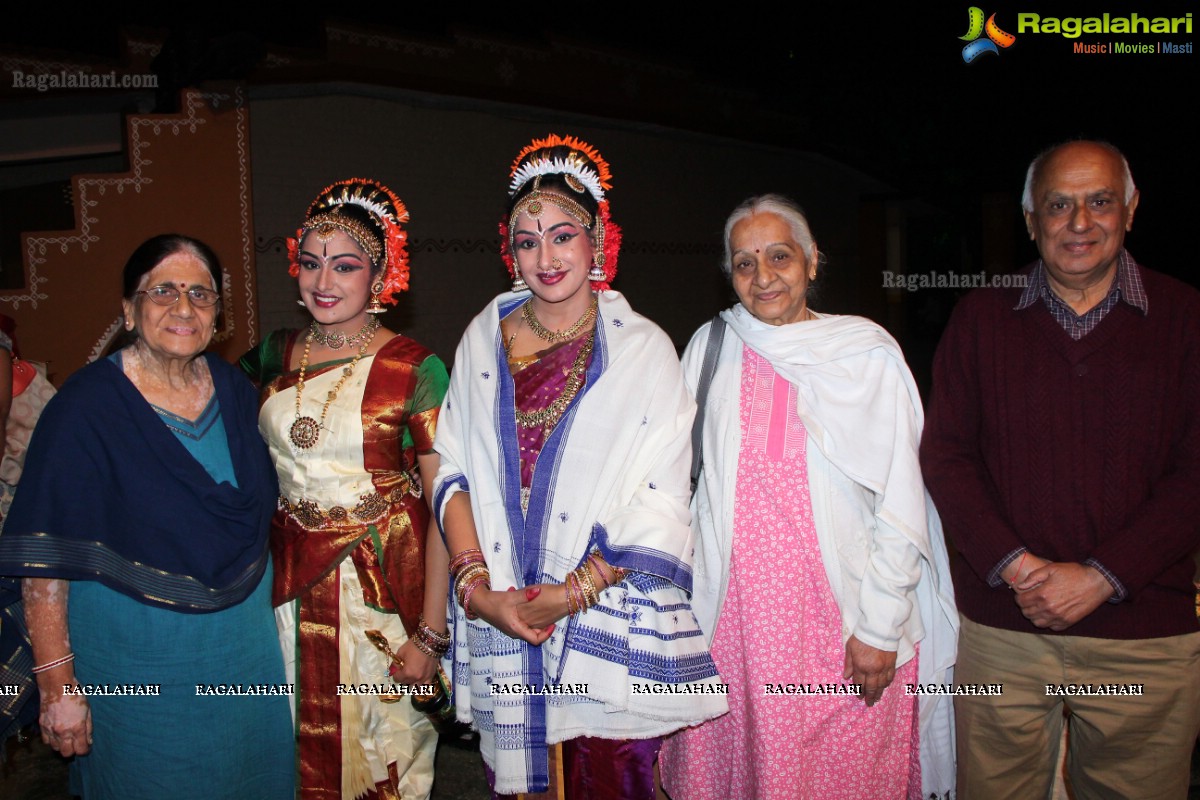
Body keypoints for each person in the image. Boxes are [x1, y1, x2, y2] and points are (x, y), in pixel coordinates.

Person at [433, 134, 727, 798]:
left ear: (597, 240)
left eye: (563, 235)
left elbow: (660, 494)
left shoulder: (642, 349)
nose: (546, 256)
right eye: (528, 240)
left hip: (605, 614)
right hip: (502, 604)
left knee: (610, 778)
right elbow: (451, 467)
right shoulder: (484, 337)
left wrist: (571, 595)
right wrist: (478, 590)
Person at [920, 140, 1200, 799]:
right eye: (1059, 204)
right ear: (1030, 220)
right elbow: (947, 455)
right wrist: (1021, 569)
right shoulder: (981, 317)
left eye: (1099, 201)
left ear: (1130, 210)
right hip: (1002, 629)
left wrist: (1104, 576)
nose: (1079, 222)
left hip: (1143, 635)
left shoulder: (1187, 318)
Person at [659, 195, 958, 800]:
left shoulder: (863, 357)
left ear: (812, 261)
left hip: (843, 631)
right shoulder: (711, 347)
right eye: (744, 263)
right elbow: (674, 481)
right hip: (734, 632)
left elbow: (900, 505)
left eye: (779, 256)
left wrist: (879, 630)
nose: (763, 276)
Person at [0, 235, 292, 799]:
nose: (184, 307)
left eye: (201, 295)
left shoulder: (235, 392)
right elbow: (44, 559)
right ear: (129, 310)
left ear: (218, 316)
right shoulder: (86, 408)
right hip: (134, 662)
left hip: (241, 652)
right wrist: (57, 684)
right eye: (163, 291)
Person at [240, 178, 450, 800]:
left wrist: (430, 636)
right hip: (283, 594)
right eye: (310, 263)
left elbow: (445, 510)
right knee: (286, 751)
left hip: (381, 590)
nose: (322, 281)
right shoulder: (274, 355)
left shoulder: (414, 367)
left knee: (384, 754)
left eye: (345, 265)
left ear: (380, 272)